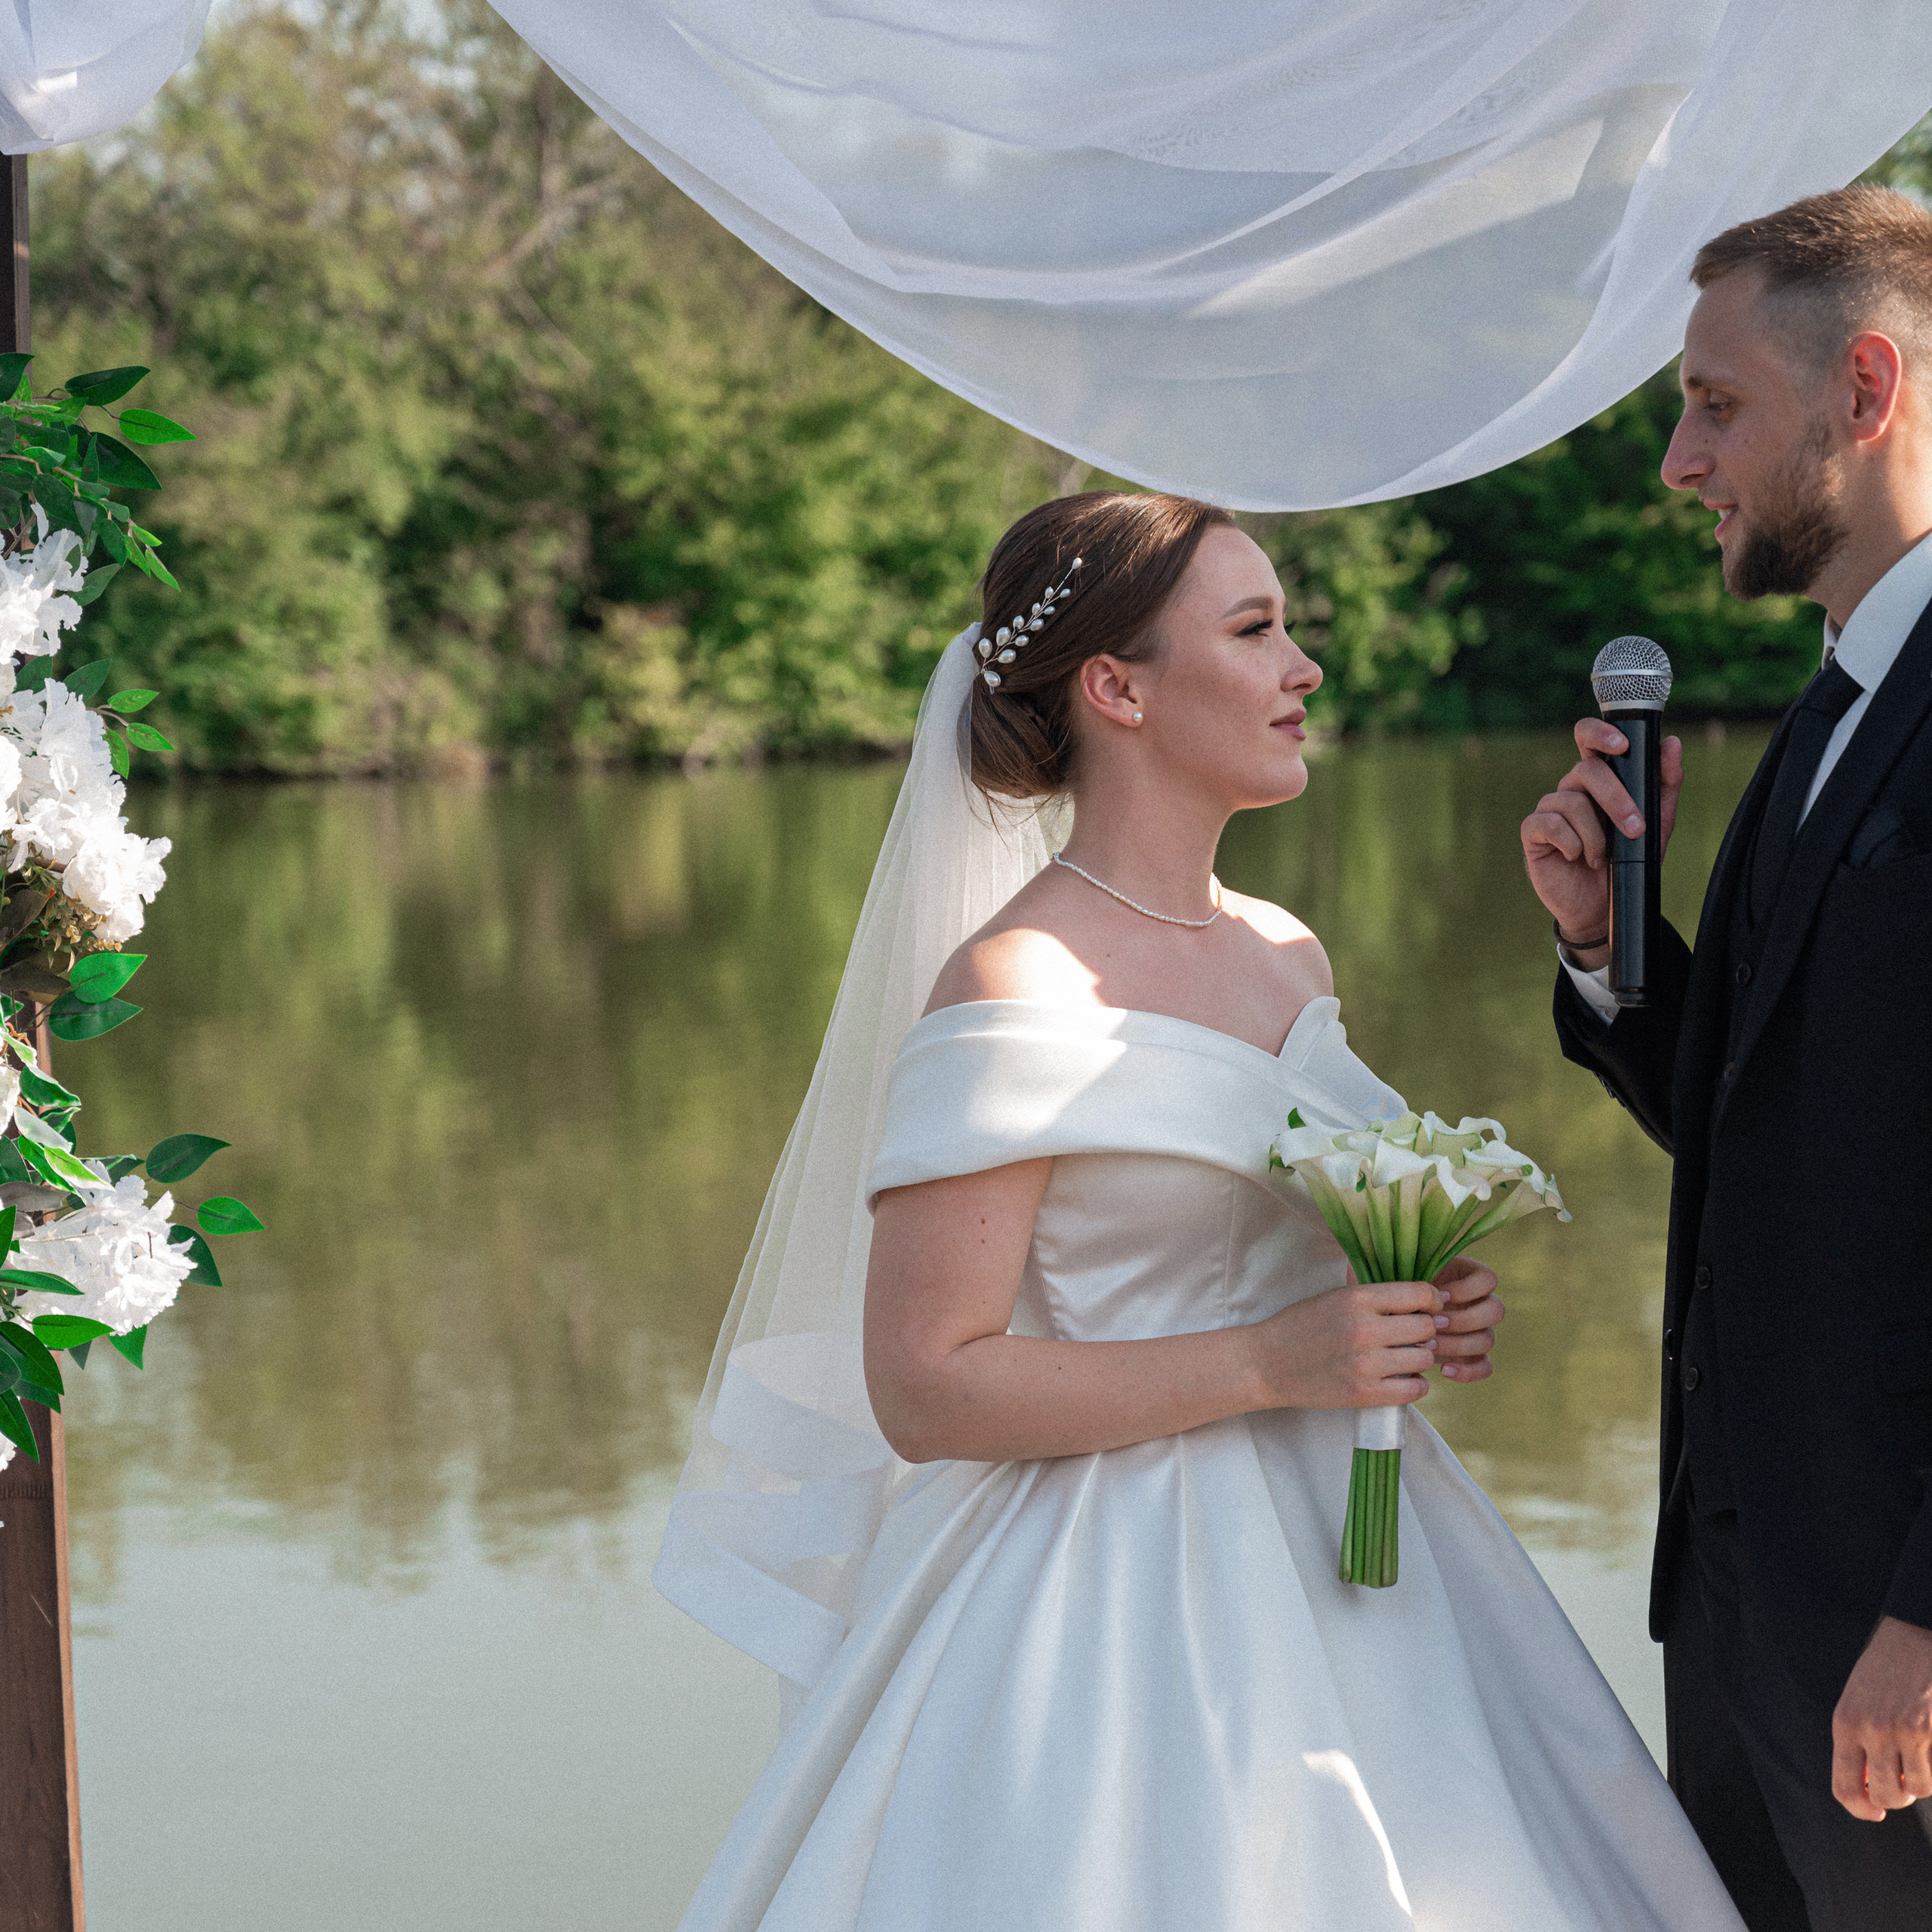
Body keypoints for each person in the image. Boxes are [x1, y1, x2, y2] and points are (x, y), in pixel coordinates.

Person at [658, 488, 1744, 1930]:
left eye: (1289, 627)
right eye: (1255, 630)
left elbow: (1284, 1239)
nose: (1303, 666)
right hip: (1105, 1607)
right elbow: (926, 1385)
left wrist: (1407, 1294)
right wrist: (1277, 1360)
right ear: (1117, 687)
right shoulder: (1013, 985)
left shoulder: (1287, 951)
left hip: (1370, 1571)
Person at [1521, 184, 1932, 1932]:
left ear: (1862, 388)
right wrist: (1618, 959)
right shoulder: (1829, 706)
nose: (1678, 464)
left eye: (1710, 404)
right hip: (1741, 1608)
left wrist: (1923, 1614)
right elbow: (1779, 1118)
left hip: (1892, 1644)